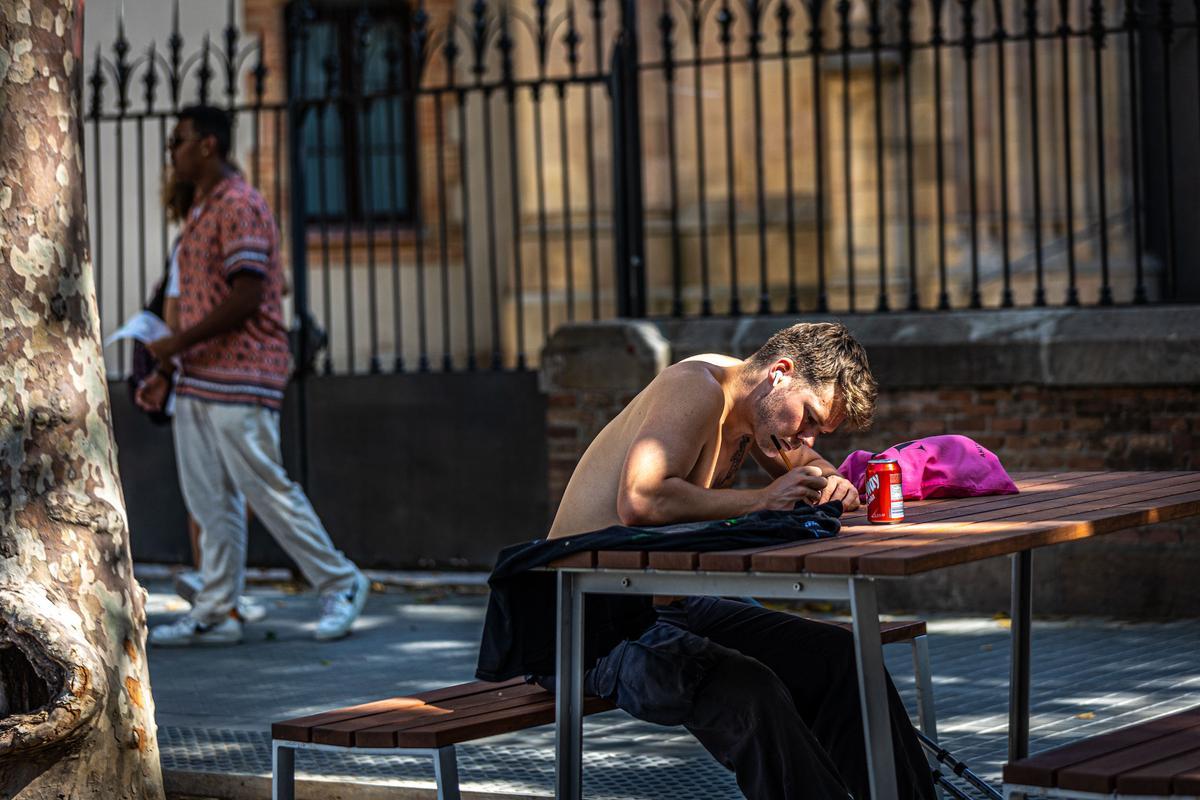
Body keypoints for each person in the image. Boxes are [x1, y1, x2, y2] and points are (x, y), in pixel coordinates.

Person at [546, 321, 935, 800]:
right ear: (780, 373)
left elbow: (815, 470)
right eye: (809, 418)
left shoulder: (760, 416)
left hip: (668, 608)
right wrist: (761, 500)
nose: (807, 437)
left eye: (819, 430)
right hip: (583, 626)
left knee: (843, 662)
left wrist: (834, 483)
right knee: (752, 693)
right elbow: (642, 500)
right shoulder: (696, 386)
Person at [137, 105, 368, 646]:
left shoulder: (240, 203)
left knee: (265, 487)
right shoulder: (201, 209)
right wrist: (168, 369)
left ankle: (342, 580)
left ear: (209, 144)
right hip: (199, 377)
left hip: (242, 374)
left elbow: (248, 295)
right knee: (208, 497)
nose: (171, 151)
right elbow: (198, 300)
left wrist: (177, 345)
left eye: (179, 140)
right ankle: (218, 609)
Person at [157, 167, 267, 625]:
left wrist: (171, 355)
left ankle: (222, 594)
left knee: (224, 494)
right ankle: (219, 595)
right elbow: (172, 310)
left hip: (218, 375)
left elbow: (178, 313)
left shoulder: (227, 225)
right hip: (198, 374)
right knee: (211, 495)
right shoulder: (188, 244)